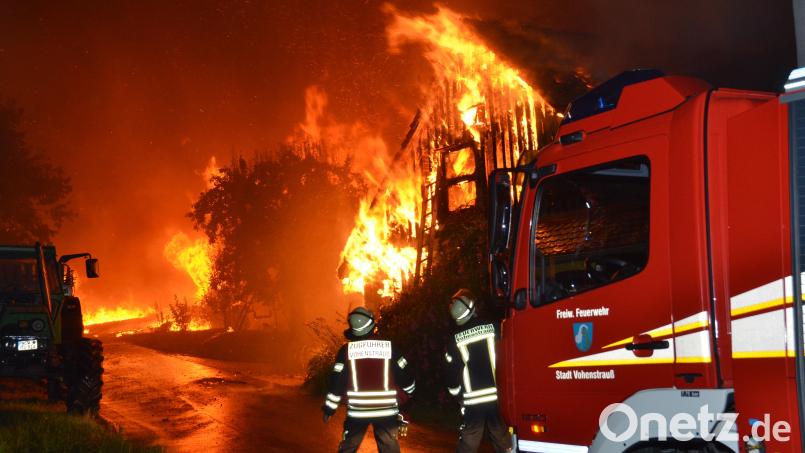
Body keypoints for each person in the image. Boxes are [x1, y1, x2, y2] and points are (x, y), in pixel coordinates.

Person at [322, 306, 416, 453]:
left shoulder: (346, 351)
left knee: (348, 447)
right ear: (372, 326)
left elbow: (337, 383)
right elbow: (405, 374)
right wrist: (410, 394)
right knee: (389, 447)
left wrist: (329, 408)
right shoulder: (389, 347)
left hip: (358, 411)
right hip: (386, 411)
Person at [444, 289, 512, 453]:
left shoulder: (454, 340)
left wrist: (457, 395)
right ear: (473, 309)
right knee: (503, 439)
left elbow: (451, 374)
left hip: (473, 401)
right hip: (498, 396)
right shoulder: (495, 327)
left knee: (468, 441)